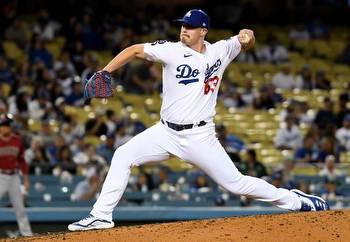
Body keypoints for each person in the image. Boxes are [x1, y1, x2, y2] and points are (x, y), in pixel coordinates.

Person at [68, 9, 329, 231]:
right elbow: (136, 50)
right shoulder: (170, 50)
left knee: (236, 184)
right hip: (165, 132)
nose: (184, 31)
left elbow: (244, 39)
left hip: (200, 137)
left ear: (203, 31)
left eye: (190, 27)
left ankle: (296, 201)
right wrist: (105, 71)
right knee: (123, 155)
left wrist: (247, 35)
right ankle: (101, 215)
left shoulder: (221, 51)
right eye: (183, 26)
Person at [0, 114, 33, 236]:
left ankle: (27, 235)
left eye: (6, 125)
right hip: (1, 176)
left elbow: (22, 161)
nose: (4, 128)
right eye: (2, 126)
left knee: (20, 208)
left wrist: (26, 179)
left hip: (14, 177)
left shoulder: (17, 140)